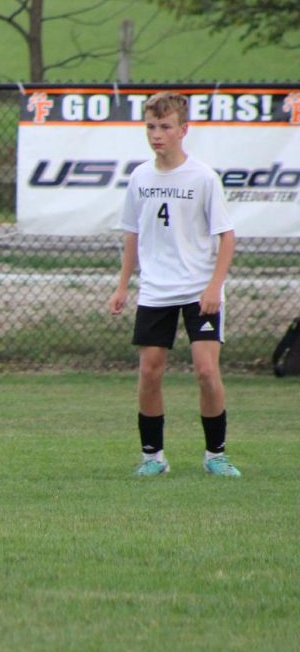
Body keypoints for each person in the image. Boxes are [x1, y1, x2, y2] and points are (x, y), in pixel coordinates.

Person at [107, 90, 240, 478]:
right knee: (149, 371)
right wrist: (122, 286)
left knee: (206, 371)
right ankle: (153, 458)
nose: (156, 134)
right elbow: (132, 234)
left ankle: (216, 454)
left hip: (199, 289)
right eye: (151, 126)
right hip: (156, 290)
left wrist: (214, 286)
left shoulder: (202, 177)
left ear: (184, 129)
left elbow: (226, 236)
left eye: (165, 127)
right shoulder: (140, 177)